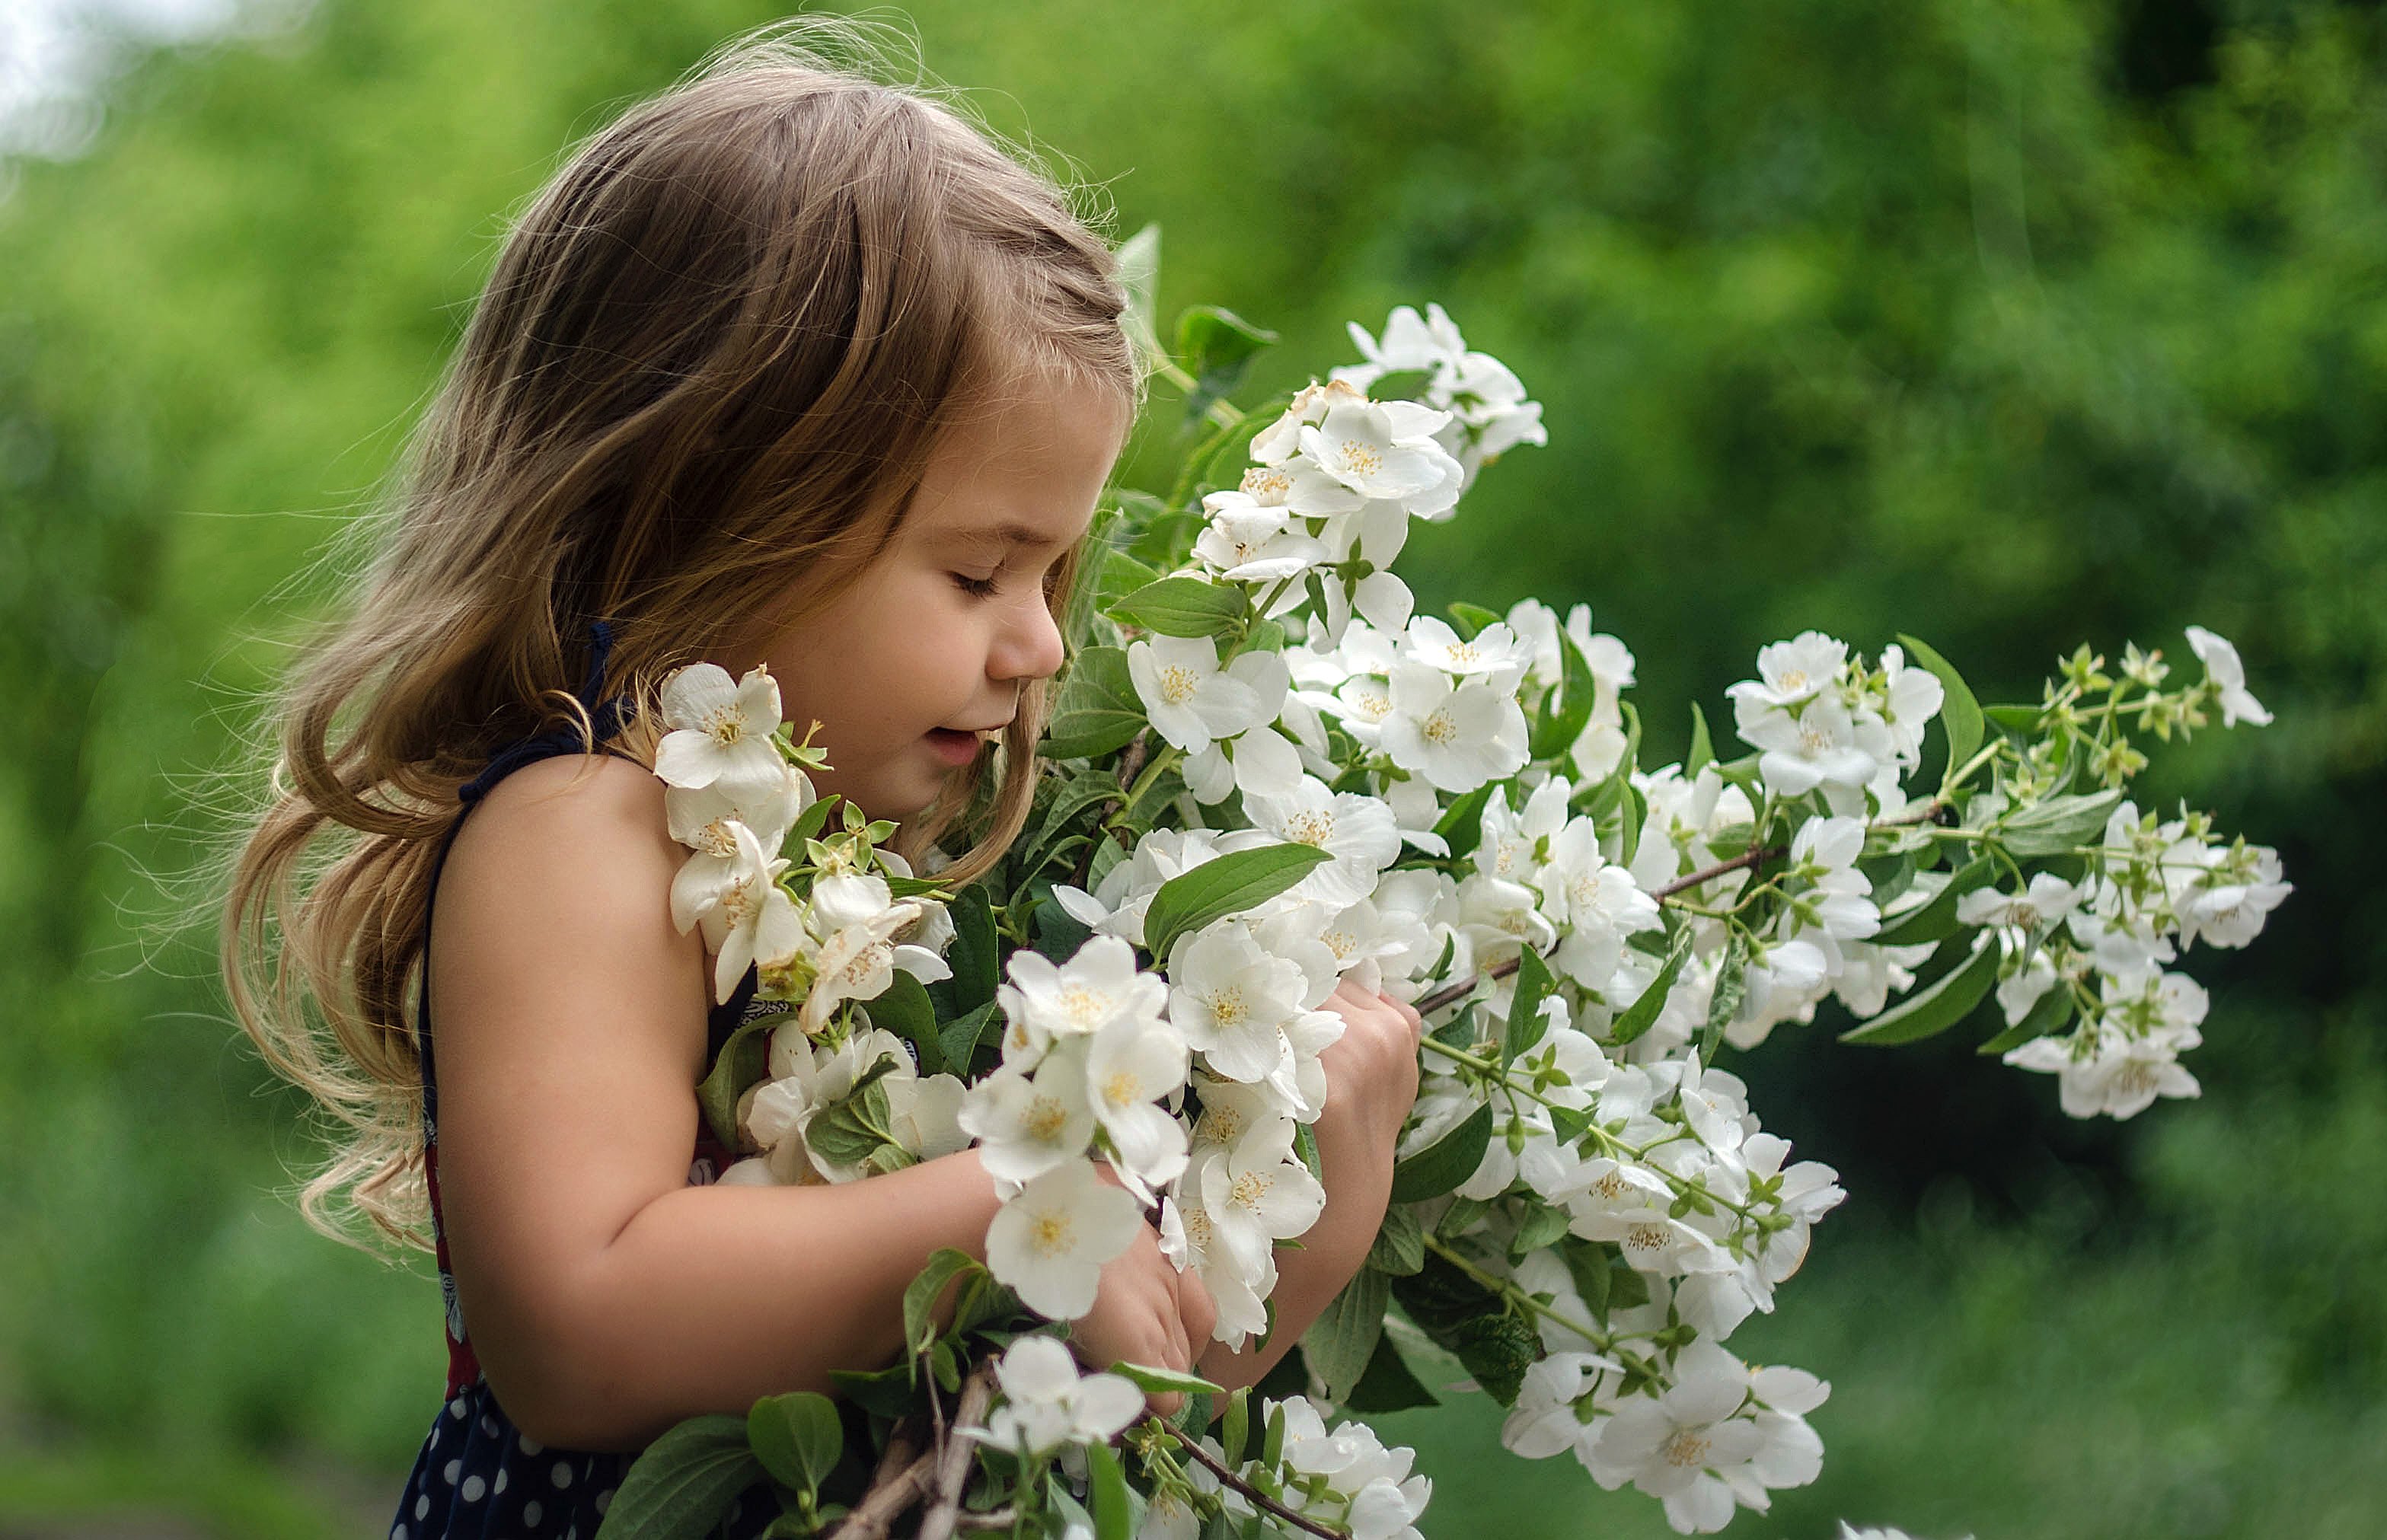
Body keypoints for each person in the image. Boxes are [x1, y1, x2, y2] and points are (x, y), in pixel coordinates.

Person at [215, 18, 1425, 1540]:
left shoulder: (852, 894)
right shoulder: (581, 829)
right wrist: (995, 1198)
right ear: (720, 500)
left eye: (1055, 571)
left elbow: (1115, 1380)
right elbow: (578, 1334)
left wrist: (1325, 1188)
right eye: (981, 569)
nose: (1042, 643)